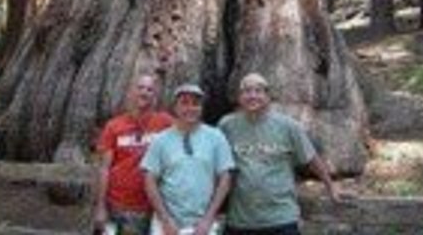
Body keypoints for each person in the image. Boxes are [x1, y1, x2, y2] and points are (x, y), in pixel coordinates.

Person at [217, 73, 340, 235]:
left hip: (282, 219)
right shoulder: (227, 126)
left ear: (268, 96)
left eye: (258, 91)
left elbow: (311, 159)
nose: (252, 96)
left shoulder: (288, 127)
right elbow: (214, 163)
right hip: (240, 221)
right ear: (240, 97)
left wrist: (330, 186)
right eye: (247, 91)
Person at [141, 83, 235, 235]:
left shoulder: (216, 137)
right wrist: (165, 219)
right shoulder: (161, 140)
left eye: (195, 104)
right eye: (184, 103)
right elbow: (149, 180)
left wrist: (208, 218)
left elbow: (225, 178)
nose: (190, 108)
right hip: (167, 224)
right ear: (175, 107)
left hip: (203, 224)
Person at [94, 74, 176, 235]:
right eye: (140, 88)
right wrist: (100, 207)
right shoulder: (114, 126)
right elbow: (104, 168)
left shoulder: (165, 123)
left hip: (148, 207)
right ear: (131, 92)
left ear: (155, 96)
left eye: (149, 89)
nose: (144, 92)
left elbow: (188, 133)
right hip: (115, 204)